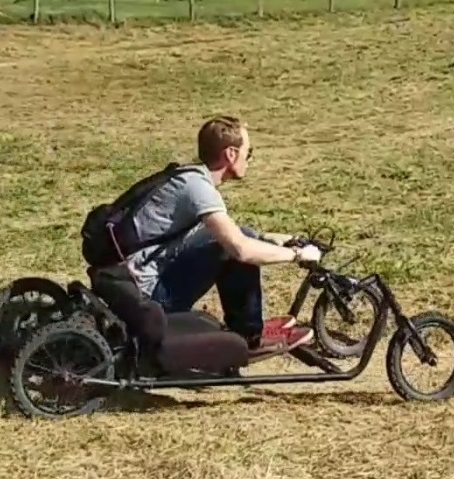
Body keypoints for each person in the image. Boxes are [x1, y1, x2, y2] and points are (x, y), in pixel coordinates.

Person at [121, 115, 321, 362]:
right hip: (149, 298)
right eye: (249, 152)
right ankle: (250, 338)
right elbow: (241, 249)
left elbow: (212, 234)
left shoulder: (188, 176)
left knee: (243, 237)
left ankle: (248, 327)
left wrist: (270, 239)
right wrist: (297, 255)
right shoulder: (199, 189)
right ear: (231, 154)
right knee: (235, 249)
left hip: (133, 282)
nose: (251, 159)